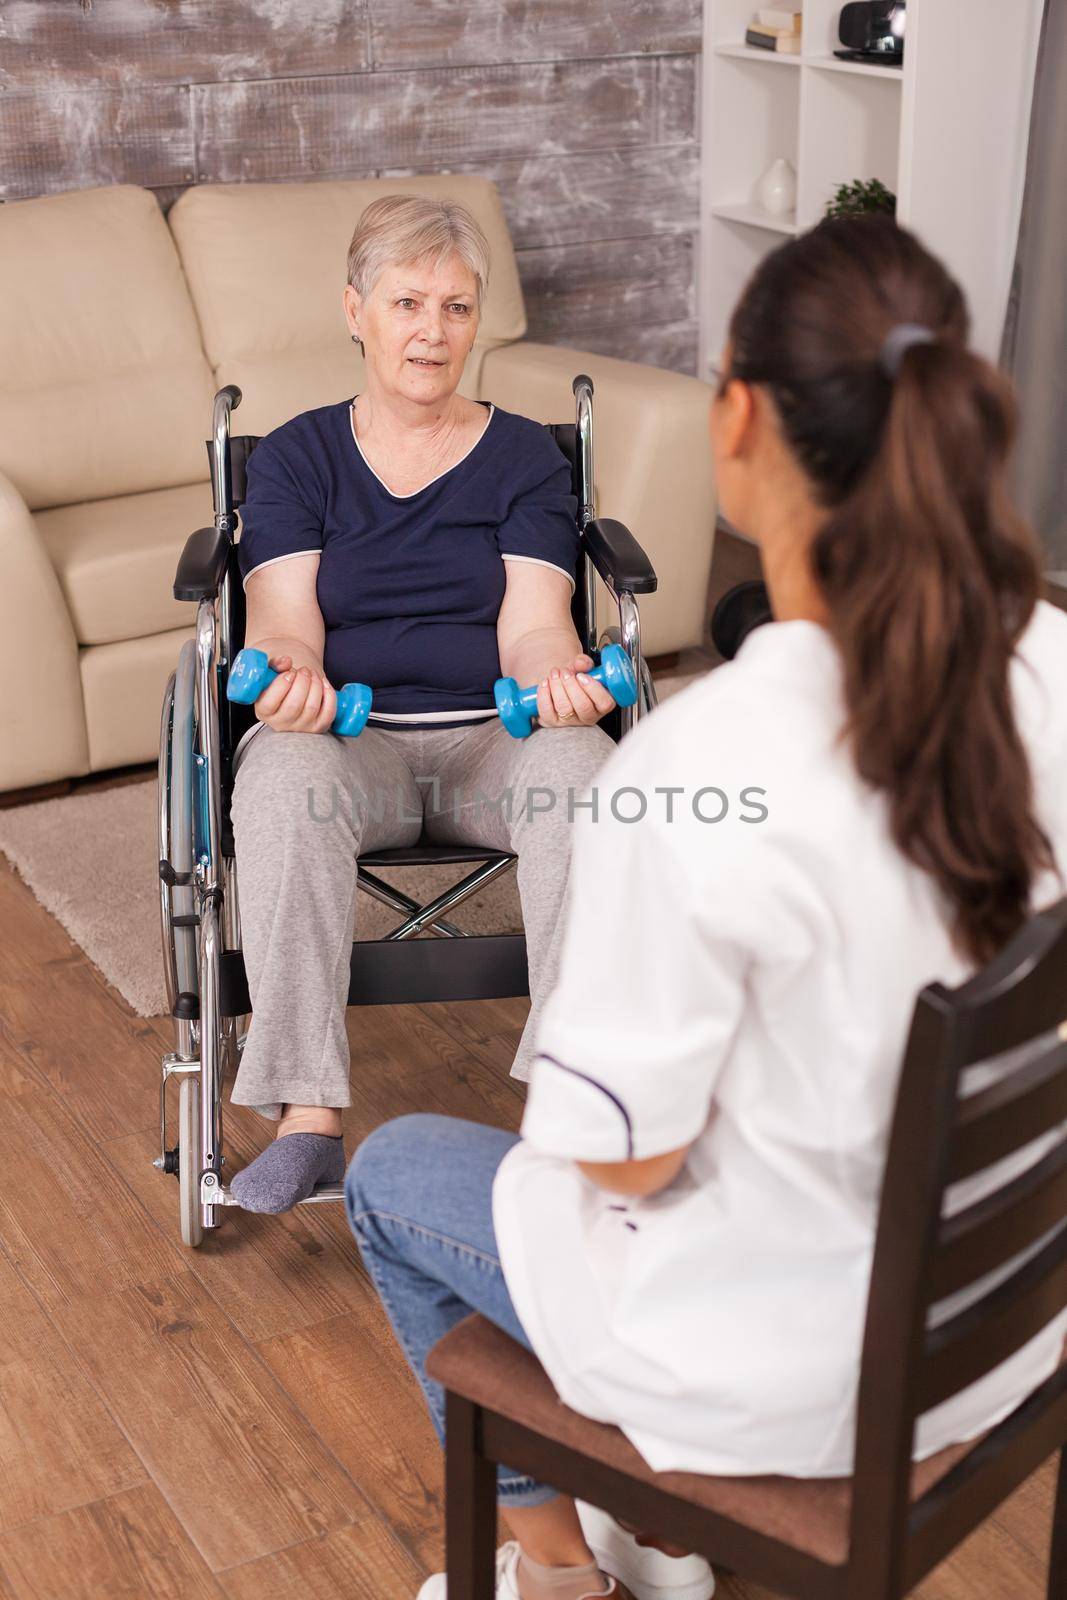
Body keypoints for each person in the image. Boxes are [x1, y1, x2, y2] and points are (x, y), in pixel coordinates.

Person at [344, 214, 1067, 1600]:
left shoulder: (696, 764)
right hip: (1007, 1315)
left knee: (395, 1176)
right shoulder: (1050, 654)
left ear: (735, 417)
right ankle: (618, 1542)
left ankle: (559, 1571)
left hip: (784, 1381)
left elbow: (620, 1165)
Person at [228, 194, 616, 1213]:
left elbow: (533, 624)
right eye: (406, 302)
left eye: (454, 306)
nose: (430, 331)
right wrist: (291, 679)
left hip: (498, 744)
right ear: (354, 309)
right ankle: (308, 1115)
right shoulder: (298, 456)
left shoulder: (524, 457)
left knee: (587, 774)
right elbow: (281, 618)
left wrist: (555, 679)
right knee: (277, 779)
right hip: (353, 753)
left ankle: (574, 1114)